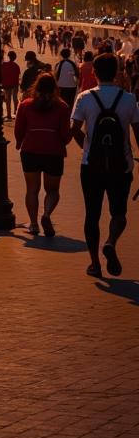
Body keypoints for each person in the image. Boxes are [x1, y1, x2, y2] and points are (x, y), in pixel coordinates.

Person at [70, 52, 139, 278]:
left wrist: (86, 147)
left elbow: (74, 131)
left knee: (92, 214)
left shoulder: (85, 98)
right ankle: (110, 241)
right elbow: (138, 134)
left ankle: (95, 264)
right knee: (119, 213)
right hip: (122, 165)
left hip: (92, 165)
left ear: (94, 73)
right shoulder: (129, 100)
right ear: (118, 73)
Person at [14, 73, 71, 236]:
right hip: (53, 151)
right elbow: (65, 133)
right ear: (55, 88)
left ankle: (33, 224)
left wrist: (19, 143)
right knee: (52, 190)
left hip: (30, 149)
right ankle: (46, 214)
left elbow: (19, 129)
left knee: (32, 189)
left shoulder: (25, 105)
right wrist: (65, 141)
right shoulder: (62, 106)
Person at [1, 50, 21, 120]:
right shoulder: (16, 66)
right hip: (14, 83)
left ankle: (9, 114)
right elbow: (18, 75)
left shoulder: (4, 65)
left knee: (8, 99)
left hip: (6, 84)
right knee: (15, 98)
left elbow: (2, 74)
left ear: (8, 56)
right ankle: (16, 112)